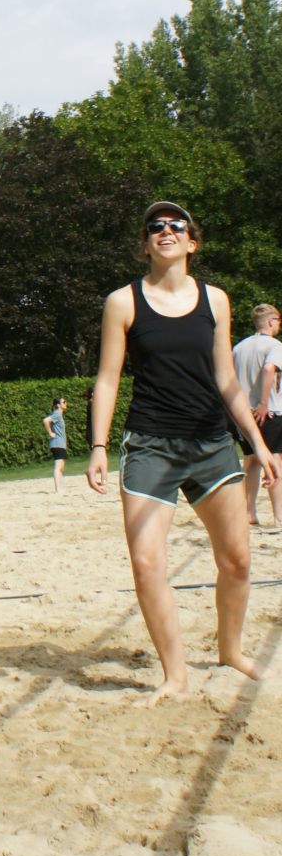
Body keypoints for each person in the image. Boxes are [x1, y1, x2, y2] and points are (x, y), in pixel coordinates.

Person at [86, 200, 281, 707]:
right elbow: (107, 379)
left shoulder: (215, 300)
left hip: (211, 443)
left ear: (191, 242)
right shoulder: (122, 302)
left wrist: (258, 444)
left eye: (176, 225)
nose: (166, 230)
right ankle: (174, 676)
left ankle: (230, 651)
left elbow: (227, 380)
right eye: (155, 226)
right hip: (150, 444)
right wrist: (98, 445)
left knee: (237, 561)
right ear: (146, 242)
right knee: (147, 562)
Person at [233, 303, 282, 528]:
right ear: (271, 321)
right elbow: (269, 369)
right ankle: (279, 517)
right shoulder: (274, 345)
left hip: (243, 413)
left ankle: (249, 513)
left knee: (251, 460)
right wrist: (263, 403)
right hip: (268, 411)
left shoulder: (239, 347)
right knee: (275, 461)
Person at [43, 396, 67, 494]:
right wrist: (50, 433)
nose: (65, 403)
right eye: (63, 402)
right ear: (58, 405)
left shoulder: (59, 415)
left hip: (60, 444)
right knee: (58, 467)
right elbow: (46, 420)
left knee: (61, 467)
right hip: (57, 443)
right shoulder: (57, 414)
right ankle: (58, 489)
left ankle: (61, 488)